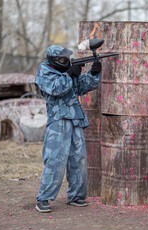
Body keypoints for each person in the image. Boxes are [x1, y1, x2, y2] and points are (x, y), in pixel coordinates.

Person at [34, 45, 102, 213]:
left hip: (75, 119)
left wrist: (93, 73)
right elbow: (56, 89)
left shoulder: (67, 71)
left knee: (79, 160)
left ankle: (76, 195)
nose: (66, 62)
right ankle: (43, 198)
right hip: (58, 122)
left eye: (67, 59)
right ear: (53, 60)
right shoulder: (44, 71)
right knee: (55, 161)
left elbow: (82, 87)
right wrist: (69, 74)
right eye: (63, 60)